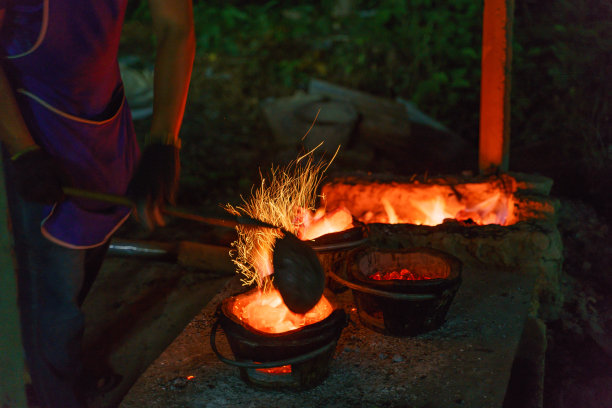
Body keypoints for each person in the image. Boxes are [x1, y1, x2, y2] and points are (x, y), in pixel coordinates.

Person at [0, 0, 195, 407]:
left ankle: (58, 363)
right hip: (26, 124)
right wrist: (22, 149)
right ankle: (53, 392)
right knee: (47, 290)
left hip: (99, 119)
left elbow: (176, 28)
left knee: (84, 262)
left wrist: (164, 140)